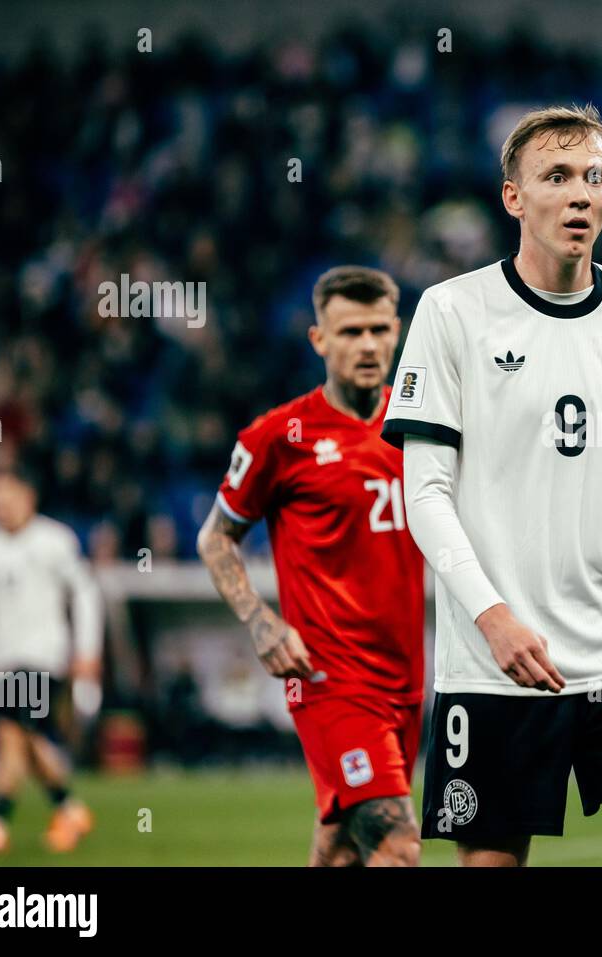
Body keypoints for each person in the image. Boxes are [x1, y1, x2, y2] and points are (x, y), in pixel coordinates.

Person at [382, 104, 602, 866]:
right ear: (513, 197)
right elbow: (424, 493)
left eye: (595, 178)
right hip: (497, 659)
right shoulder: (452, 311)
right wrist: (493, 617)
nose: (580, 194)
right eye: (556, 177)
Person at [197, 266, 425, 866]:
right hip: (327, 678)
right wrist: (261, 622)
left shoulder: (421, 426)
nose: (369, 345)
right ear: (319, 340)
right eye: (350, 332)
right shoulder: (279, 437)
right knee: (398, 843)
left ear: (398, 331)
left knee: (343, 848)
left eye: (379, 329)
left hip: (405, 675)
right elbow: (216, 538)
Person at [0, 467, 102, 854]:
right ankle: (69, 809)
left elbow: (84, 595)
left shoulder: (55, 541)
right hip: (0, 658)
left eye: (6, 494)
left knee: (10, 736)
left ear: (27, 496)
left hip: (43, 655)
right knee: (26, 739)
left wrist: (87, 650)